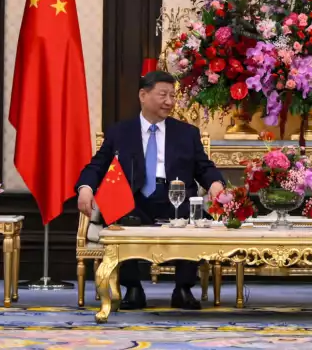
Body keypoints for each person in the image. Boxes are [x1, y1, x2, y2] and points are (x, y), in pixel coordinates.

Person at [76, 71, 225, 310]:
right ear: (143, 95)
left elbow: (204, 167)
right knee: (119, 212)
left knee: (194, 216)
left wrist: (216, 184)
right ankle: (133, 288)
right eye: (163, 95)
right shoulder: (120, 132)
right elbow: (97, 166)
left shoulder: (187, 133)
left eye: (172, 96)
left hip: (175, 198)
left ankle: (183, 289)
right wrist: (85, 189)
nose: (169, 101)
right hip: (135, 199)